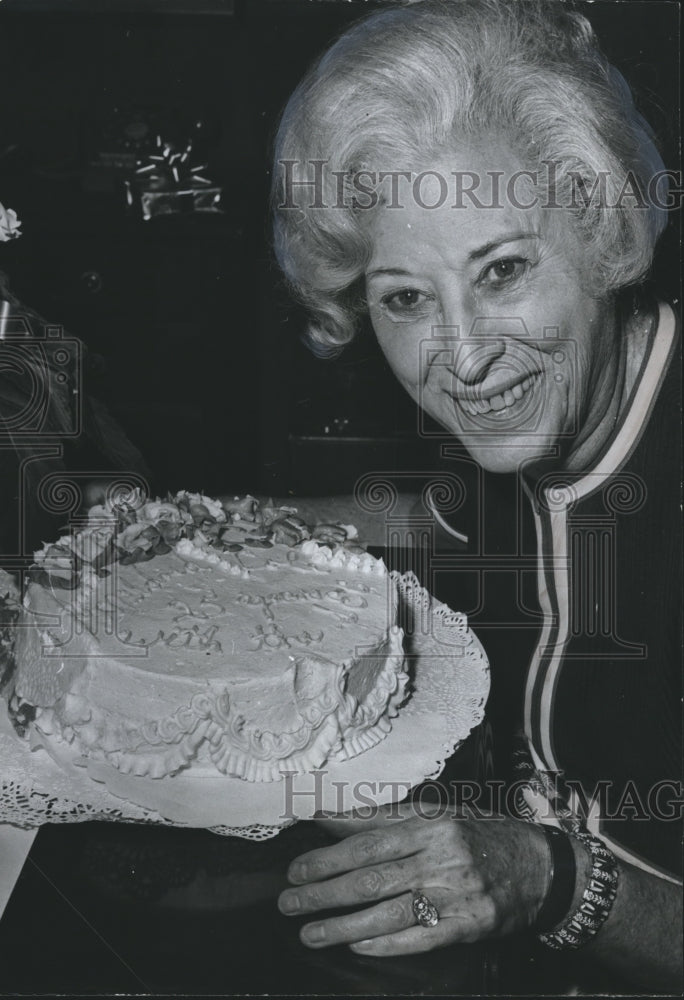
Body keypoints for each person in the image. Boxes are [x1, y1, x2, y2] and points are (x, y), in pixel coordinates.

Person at [269, 0, 682, 992]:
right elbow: (416, 521)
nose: (463, 357)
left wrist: (548, 879)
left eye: (502, 270)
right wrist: (169, 540)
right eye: (406, 298)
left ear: (601, 224)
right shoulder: (528, 442)